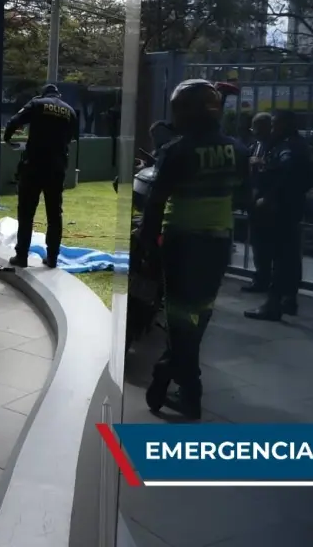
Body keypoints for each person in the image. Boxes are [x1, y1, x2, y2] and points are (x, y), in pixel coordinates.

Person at [135, 78, 248, 420]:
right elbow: (242, 198)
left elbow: (155, 204)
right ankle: (177, 381)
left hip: (182, 241)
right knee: (198, 315)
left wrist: (146, 245)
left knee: (179, 318)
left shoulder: (177, 150)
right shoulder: (238, 151)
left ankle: (185, 387)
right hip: (218, 242)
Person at [244, 110, 313, 321]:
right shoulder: (296, 145)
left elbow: (286, 175)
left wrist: (270, 198)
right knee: (289, 256)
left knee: (282, 258)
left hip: (281, 209)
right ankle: (287, 299)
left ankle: (274, 304)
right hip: (289, 208)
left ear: (284, 125)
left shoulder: (289, 147)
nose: (272, 129)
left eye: (275, 125)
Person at [3, 84, 79, 268]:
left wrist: (8, 138)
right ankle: (52, 257)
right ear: (58, 95)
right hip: (57, 167)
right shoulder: (70, 111)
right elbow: (72, 136)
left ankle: (21, 256)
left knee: (27, 211)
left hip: (34, 165)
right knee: (54, 213)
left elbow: (14, 121)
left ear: (44, 93)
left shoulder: (37, 104)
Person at [242, 112, 275, 294]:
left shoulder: (273, 146)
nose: (253, 130)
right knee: (257, 243)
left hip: (267, 200)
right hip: (254, 198)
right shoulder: (255, 145)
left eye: (256, 126)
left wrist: (261, 162)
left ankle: (266, 280)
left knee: (266, 244)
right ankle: (261, 277)